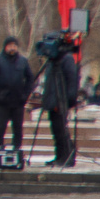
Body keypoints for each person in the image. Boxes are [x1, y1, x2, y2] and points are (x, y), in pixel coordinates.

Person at [40, 31, 82, 168]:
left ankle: (66, 156)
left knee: (61, 130)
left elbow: (71, 80)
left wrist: (70, 100)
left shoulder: (66, 58)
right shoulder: (52, 60)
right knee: (56, 131)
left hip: (61, 100)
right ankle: (59, 156)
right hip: (52, 100)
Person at [0, 36, 31, 158]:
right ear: (5, 47)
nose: (13, 48)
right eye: (10, 45)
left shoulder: (23, 61)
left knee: (17, 127)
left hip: (18, 100)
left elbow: (30, 78)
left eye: (15, 45)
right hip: (3, 101)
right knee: (1, 126)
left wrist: (25, 94)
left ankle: (17, 149)